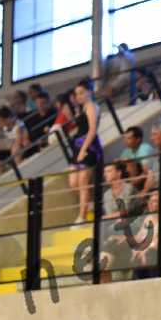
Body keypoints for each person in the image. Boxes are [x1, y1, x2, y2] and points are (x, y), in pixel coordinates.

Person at [67, 79, 102, 224]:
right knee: (73, 182)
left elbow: (92, 130)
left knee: (83, 182)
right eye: (77, 94)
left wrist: (83, 149)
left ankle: (82, 216)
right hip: (77, 146)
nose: (78, 96)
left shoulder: (92, 107)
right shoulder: (81, 108)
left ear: (90, 92)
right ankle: (91, 204)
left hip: (88, 146)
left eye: (81, 93)